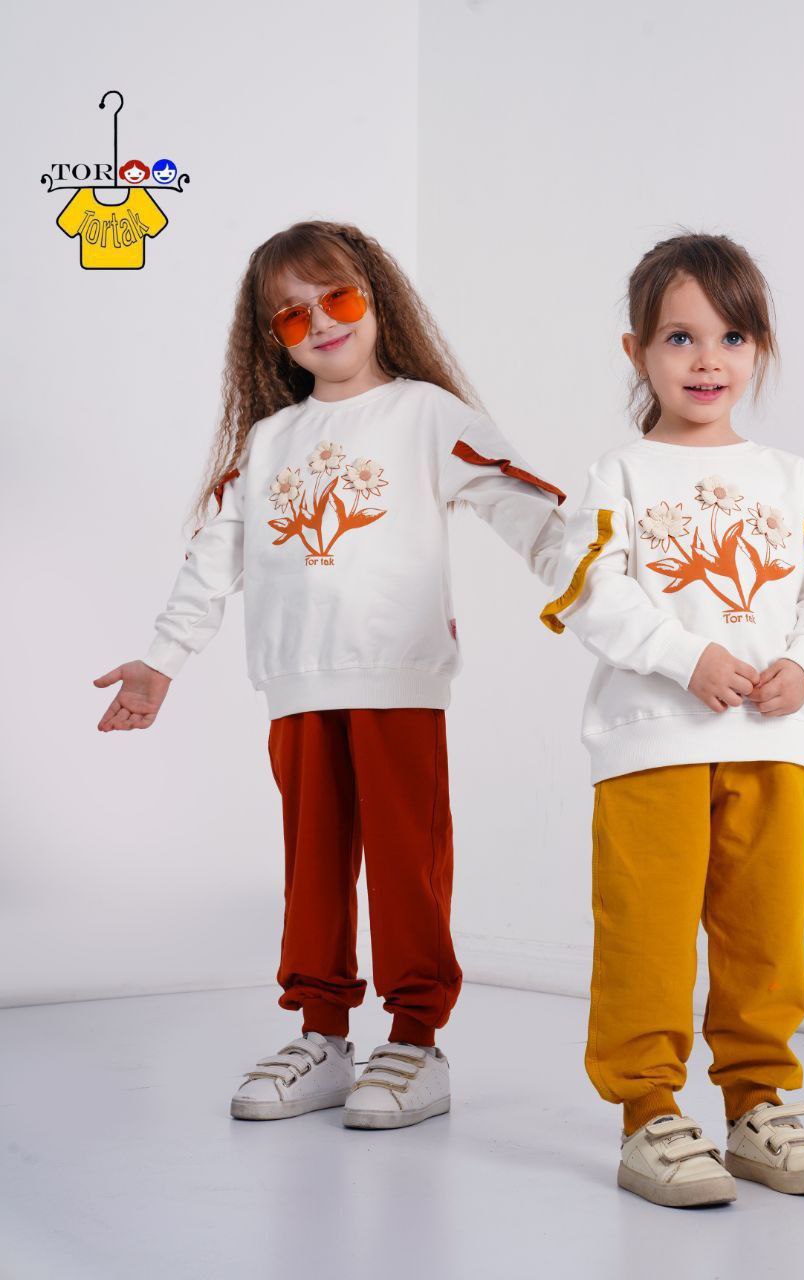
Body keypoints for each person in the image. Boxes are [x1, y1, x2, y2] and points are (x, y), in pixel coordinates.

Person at [94, 220, 565, 1130]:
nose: (321, 323)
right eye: (292, 314)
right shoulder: (269, 442)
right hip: (298, 688)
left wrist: (594, 580)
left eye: (338, 297)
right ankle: (322, 1034)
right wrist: (160, 663)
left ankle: (416, 1041)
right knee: (312, 870)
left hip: (398, 683)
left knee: (405, 867)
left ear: (376, 296)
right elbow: (213, 558)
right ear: (271, 337)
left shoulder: (428, 415)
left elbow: (520, 505)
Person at [540, 231, 804, 1206]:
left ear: (758, 349)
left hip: (775, 750)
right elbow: (586, 588)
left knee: (763, 938)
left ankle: (757, 1105)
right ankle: (648, 1111)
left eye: (732, 337)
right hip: (650, 747)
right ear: (636, 351)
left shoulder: (788, 476)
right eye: (680, 337)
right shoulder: (620, 474)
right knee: (646, 936)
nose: (707, 359)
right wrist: (681, 654)